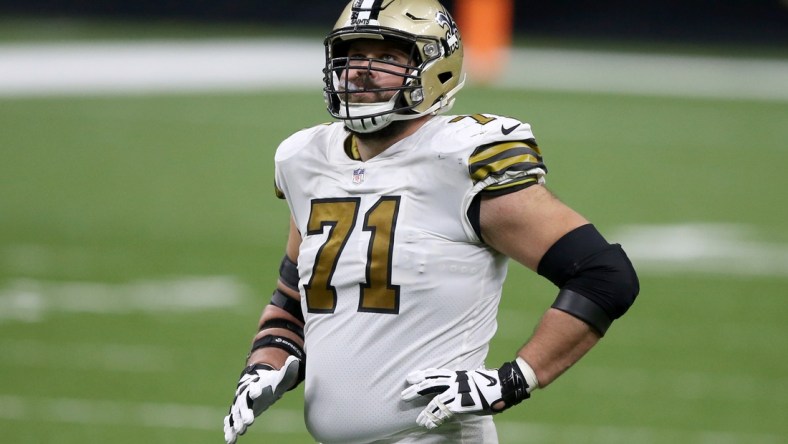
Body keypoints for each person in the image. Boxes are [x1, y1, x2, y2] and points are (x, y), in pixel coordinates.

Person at [223, 0, 640, 443]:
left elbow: (603, 275)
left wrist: (514, 379)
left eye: (385, 57)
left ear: (435, 68)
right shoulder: (305, 160)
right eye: (351, 56)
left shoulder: (460, 159)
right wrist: (266, 365)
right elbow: (292, 297)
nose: (361, 71)